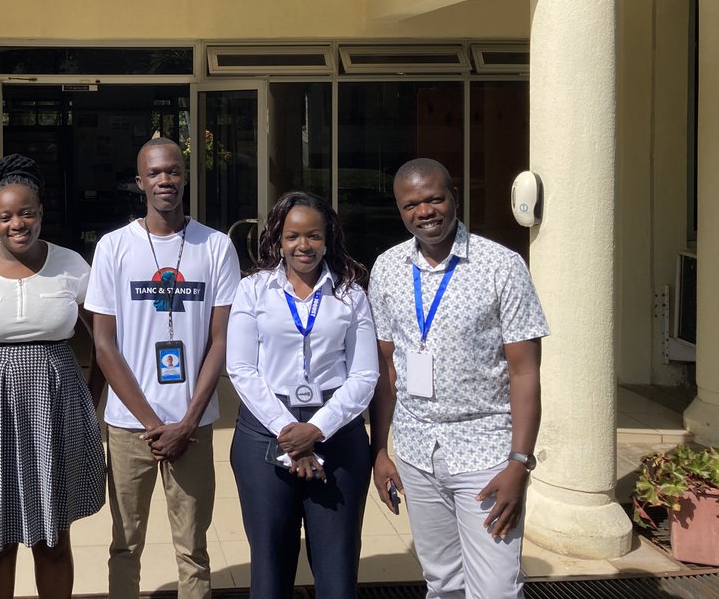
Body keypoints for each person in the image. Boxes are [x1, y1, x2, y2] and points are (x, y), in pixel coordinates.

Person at [368, 158, 548, 599]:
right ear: (400, 209)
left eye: (434, 198)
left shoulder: (501, 266)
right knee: (443, 580)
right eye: (412, 204)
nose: (424, 211)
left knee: (496, 588)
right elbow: (385, 371)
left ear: (454, 198)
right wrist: (380, 450)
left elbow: (525, 372)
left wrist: (519, 464)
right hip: (415, 451)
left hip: (486, 453)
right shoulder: (387, 268)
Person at [86, 137, 241, 599]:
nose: (165, 180)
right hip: (130, 426)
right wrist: (154, 424)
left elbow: (220, 341)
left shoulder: (215, 247)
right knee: (125, 544)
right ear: (140, 182)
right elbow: (104, 345)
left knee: (193, 548)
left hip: (192, 425)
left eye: (173, 170)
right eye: (154, 173)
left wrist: (187, 420)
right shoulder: (114, 248)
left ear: (186, 176)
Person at [0, 154, 105, 599]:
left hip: (56, 412)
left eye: (27, 212)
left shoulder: (72, 264)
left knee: (52, 536)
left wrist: (91, 398)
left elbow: (103, 339)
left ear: (42, 213)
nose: (18, 223)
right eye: (6, 216)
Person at [227, 191, 378, 598]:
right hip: (265, 431)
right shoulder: (253, 290)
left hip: (338, 433)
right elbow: (241, 368)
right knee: (270, 567)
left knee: (337, 571)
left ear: (328, 239)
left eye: (313, 236)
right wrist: (289, 430)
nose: (303, 246)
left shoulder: (350, 294)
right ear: (278, 239)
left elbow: (365, 375)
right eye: (293, 236)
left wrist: (316, 428)